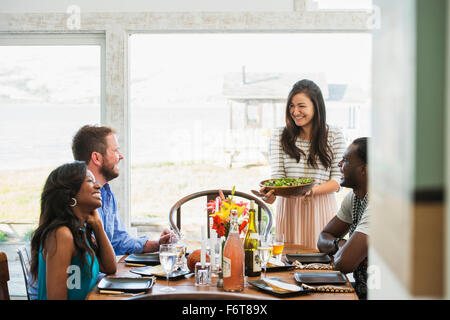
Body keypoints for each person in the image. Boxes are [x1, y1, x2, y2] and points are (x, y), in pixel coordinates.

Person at [259, 79, 346, 248]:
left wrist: (311, 191)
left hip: (321, 208)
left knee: (320, 264)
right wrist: (271, 194)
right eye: (291, 106)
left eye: (301, 106)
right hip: (289, 210)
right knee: (288, 264)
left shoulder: (334, 135)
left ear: (316, 106)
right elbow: (278, 177)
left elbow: (338, 181)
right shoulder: (279, 135)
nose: (295, 111)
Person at [71, 125, 174, 255]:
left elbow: (118, 242)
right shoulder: (78, 200)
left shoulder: (106, 194)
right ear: (97, 158)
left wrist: (158, 244)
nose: (120, 156)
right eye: (115, 151)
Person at [30, 161, 117, 300]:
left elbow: (110, 267)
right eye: (90, 181)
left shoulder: (81, 231)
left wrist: (98, 224)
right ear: (71, 194)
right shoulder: (61, 234)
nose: (98, 186)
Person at [317, 137, 369, 299]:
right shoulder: (353, 197)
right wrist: (340, 243)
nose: (339, 164)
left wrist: (343, 252)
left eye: (345, 160)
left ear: (364, 169)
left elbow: (344, 263)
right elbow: (322, 238)